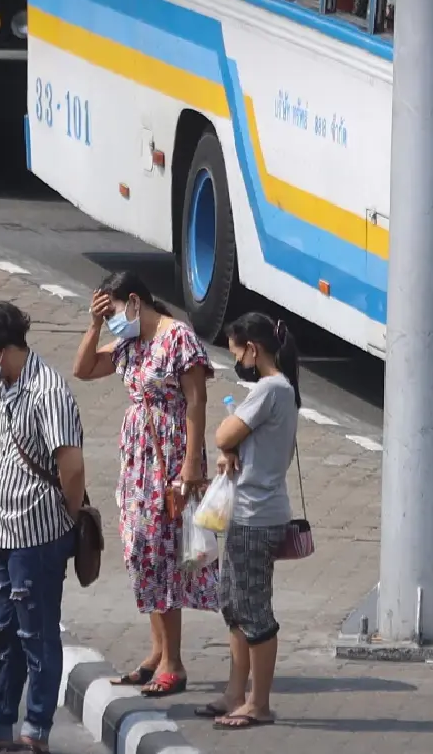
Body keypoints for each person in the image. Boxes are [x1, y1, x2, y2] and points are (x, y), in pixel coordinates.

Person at [0, 301, 87, 754]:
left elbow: (71, 465)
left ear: (2, 348)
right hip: (5, 532)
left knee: (38, 636)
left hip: (38, 534)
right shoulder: (7, 386)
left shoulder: (47, 391)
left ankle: (36, 731)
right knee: (7, 631)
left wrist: (64, 519)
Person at [72, 272, 215, 697]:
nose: (113, 320)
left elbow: (196, 401)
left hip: (170, 457)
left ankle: (174, 661)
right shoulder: (130, 342)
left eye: (112, 310)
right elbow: (83, 368)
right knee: (141, 552)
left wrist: (190, 466)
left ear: (133, 301)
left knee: (162, 553)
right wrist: (95, 324)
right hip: (138, 462)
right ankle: (157, 651)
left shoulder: (178, 338)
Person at [196, 312, 300, 731]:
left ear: (253, 350)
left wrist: (228, 440)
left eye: (237, 351)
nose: (237, 359)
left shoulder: (271, 389)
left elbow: (223, 435)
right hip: (248, 511)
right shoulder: (279, 391)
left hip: (258, 515)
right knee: (234, 605)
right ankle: (235, 692)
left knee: (254, 610)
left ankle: (258, 702)